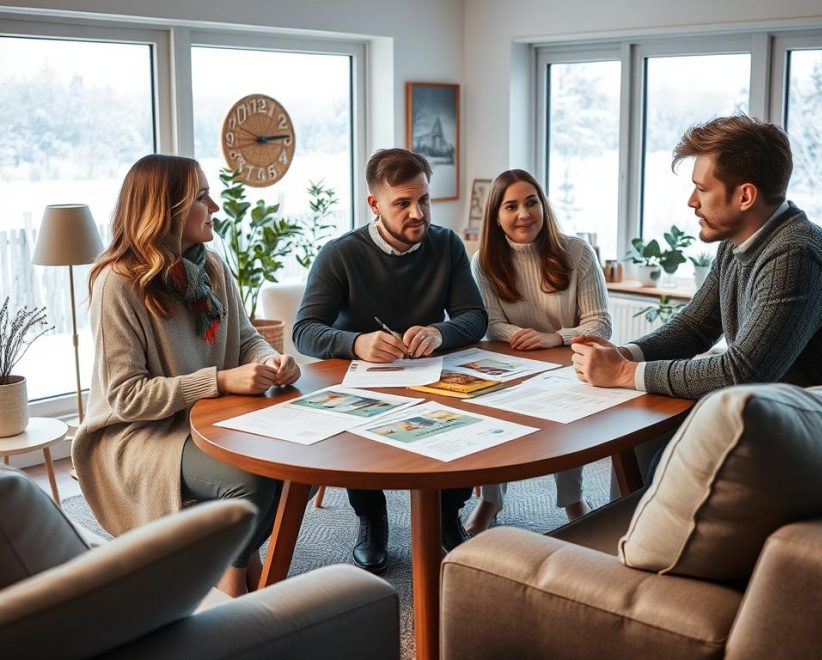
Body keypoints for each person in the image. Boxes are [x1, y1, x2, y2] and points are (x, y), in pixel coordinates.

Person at [72, 154, 303, 597]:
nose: (215, 207)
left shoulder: (210, 266)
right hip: (139, 434)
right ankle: (231, 578)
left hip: (208, 417)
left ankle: (236, 563)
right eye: (202, 197)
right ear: (168, 210)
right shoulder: (117, 284)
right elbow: (126, 397)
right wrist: (218, 381)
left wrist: (271, 360)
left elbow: (247, 336)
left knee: (295, 463)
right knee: (249, 482)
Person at [572, 114, 822, 400]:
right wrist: (624, 354)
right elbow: (695, 327)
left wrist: (625, 372)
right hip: (779, 417)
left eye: (702, 189)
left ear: (745, 196)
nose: (691, 201)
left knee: (662, 446)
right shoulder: (735, 243)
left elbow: (743, 373)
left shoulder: (796, 256)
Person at [293, 147, 487, 573]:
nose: (418, 213)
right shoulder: (340, 254)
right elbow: (304, 330)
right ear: (374, 204)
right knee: (353, 431)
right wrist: (357, 342)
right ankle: (371, 517)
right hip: (362, 381)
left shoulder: (447, 244)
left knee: (471, 419)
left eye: (424, 199)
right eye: (403, 203)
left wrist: (439, 332)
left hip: (432, 375)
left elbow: (475, 317)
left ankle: (447, 511)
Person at [466, 169, 612, 534]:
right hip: (507, 365)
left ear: (543, 206)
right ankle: (489, 500)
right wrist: (524, 335)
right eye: (511, 206)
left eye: (532, 202)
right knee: (489, 413)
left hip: (567, 363)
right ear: (496, 218)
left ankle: (573, 498)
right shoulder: (483, 262)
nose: (524, 214)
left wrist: (554, 337)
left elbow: (600, 324)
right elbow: (491, 323)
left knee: (568, 417)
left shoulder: (576, 252)